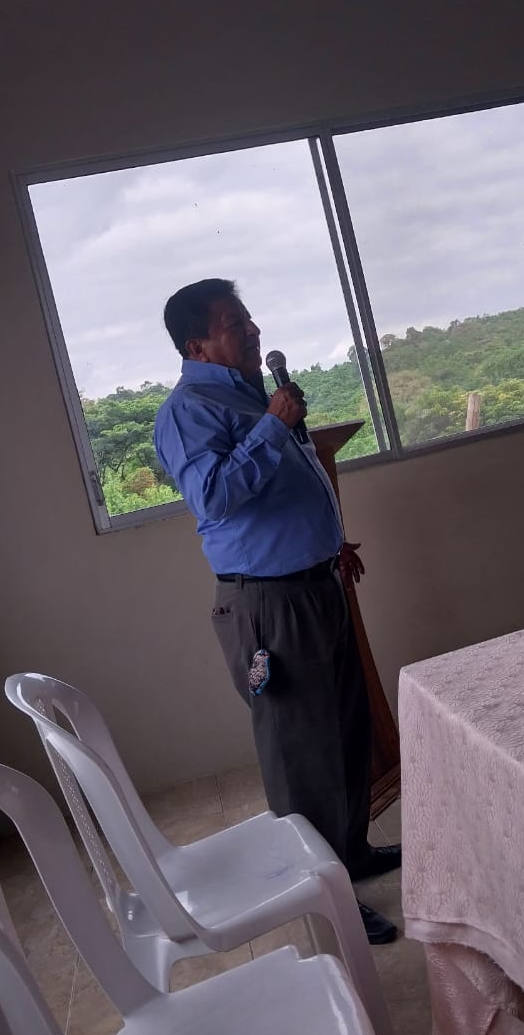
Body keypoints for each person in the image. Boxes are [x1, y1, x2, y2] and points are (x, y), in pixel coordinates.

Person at [154, 278, 401, 944]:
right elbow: (214, 497)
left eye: (250, 319)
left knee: (343, 732)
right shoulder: (188, 410)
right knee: (302, 754)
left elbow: (283, 491)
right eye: (235, 323)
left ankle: (348, 854)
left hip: (316, 585)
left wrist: (329, 543)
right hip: (270, 604)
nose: (253, 331)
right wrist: (273, 426)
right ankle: (323, 897)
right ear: (197, 345)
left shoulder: (252, 396)